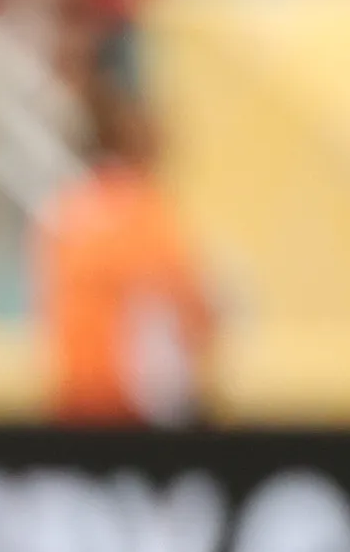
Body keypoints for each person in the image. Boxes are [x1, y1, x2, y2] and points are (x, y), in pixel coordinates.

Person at [35, 63, 215, 425]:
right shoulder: (143, 211)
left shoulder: (63, 209)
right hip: (134, 406)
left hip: (75, 398)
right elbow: (195, 310)